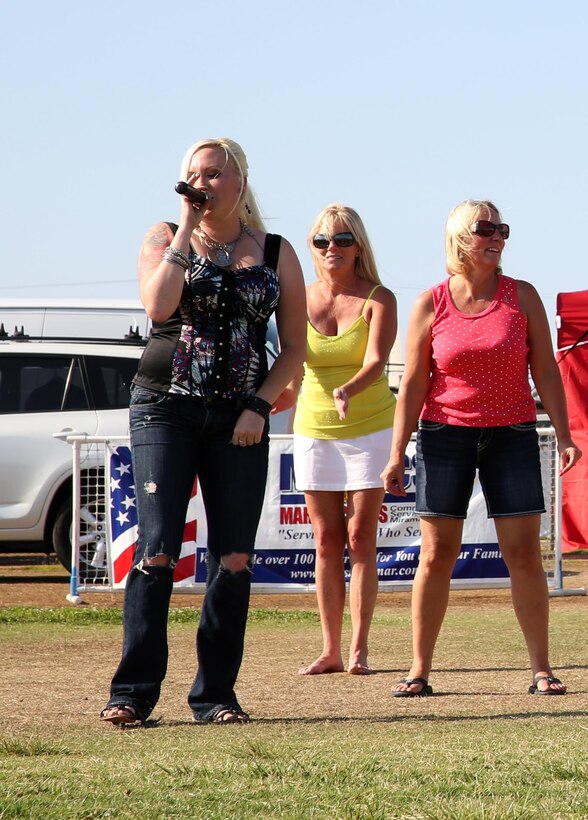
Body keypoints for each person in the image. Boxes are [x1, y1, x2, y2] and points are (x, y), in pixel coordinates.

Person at [100, 138, 306, 725]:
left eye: (214, 174)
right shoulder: (165, 235)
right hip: (166, 405)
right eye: (194, 174)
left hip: (239, 414)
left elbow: (295, 349)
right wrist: (187, 229)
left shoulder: (273, 250)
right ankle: (132, 694)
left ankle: (215, 696)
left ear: (240, 182)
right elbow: (158, 309)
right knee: (158, 547)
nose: (203, 183)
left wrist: (260, 408)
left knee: (234, 554)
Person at [381, 199, 582, 697]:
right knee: (436, 554)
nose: (496, 237)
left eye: (502, 229)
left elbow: (546, 370)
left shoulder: (523, 296)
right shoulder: (431, 302)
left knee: (523, 555)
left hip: (512, 434)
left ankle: (541, 669)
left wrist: (564, 432)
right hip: (443, 434)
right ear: (458, 238)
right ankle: (418, 670)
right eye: (484, 229)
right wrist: (395, 450)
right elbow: (414, 383)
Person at [278, 203, 397, 676]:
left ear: (358, 246)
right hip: (313, 431)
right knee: (326, 540)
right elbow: (289, 369)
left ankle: (360, 649)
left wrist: (349, 388)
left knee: (360, 537)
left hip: (370, 429)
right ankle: (329, 649)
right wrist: (260, 403)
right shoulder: (296, 298)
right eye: (322, 240)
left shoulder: (379, 298)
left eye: (343, 240)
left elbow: (376, 363)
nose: (332, 249)